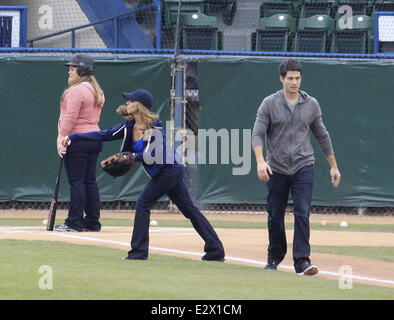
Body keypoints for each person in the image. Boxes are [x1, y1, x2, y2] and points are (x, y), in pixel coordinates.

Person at [60, 89, 225, 261]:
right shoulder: (128, 126)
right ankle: (216, 251)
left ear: (139, 105)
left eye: (131, 101)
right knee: (190, 210)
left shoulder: (155, 127)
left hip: (169, 171)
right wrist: (73, 137)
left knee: (142, 204)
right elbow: (104, 134)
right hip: (164, 173)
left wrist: (132, 156)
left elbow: (156, 155)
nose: (127, 103)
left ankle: (138, 252)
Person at [252, 59, 341, 276]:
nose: (294, 82)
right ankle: (274, 256)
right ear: (282, 79)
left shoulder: (311, 104)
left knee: (302, 212)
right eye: (290, 78)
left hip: (303, 165)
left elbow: (322, 134)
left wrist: (333, 166)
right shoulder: (269, 103)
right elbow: (257, 132)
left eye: (297, 78)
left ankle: (302, 261)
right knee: (275, 214)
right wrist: (261, 161)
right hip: (277, 167)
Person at [55, 54, 105, 232]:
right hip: (94, 138)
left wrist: (61, 138)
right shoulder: (96, 90)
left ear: (82, 71)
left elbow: (70, 118)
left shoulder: (76, 91)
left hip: (77, 140)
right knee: (89, 181)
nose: (69, 70)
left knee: (77, 182)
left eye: (73, 68)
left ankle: (74, 222)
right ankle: (92, 222)